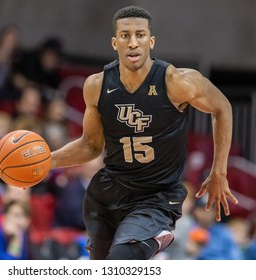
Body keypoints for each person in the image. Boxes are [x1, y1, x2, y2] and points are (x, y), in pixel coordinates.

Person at [49, 6, 238, 260]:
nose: (133, 43)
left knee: (121, 260)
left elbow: (222, 108)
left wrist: (219, 171)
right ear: (115, 43)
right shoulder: (97, 86)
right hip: (109, 194)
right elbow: (91, 146)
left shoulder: (177, 81)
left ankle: (158, 233)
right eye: (125, 36)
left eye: (140, 35)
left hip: (156, 196)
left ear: (151, 41)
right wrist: (47, 161)